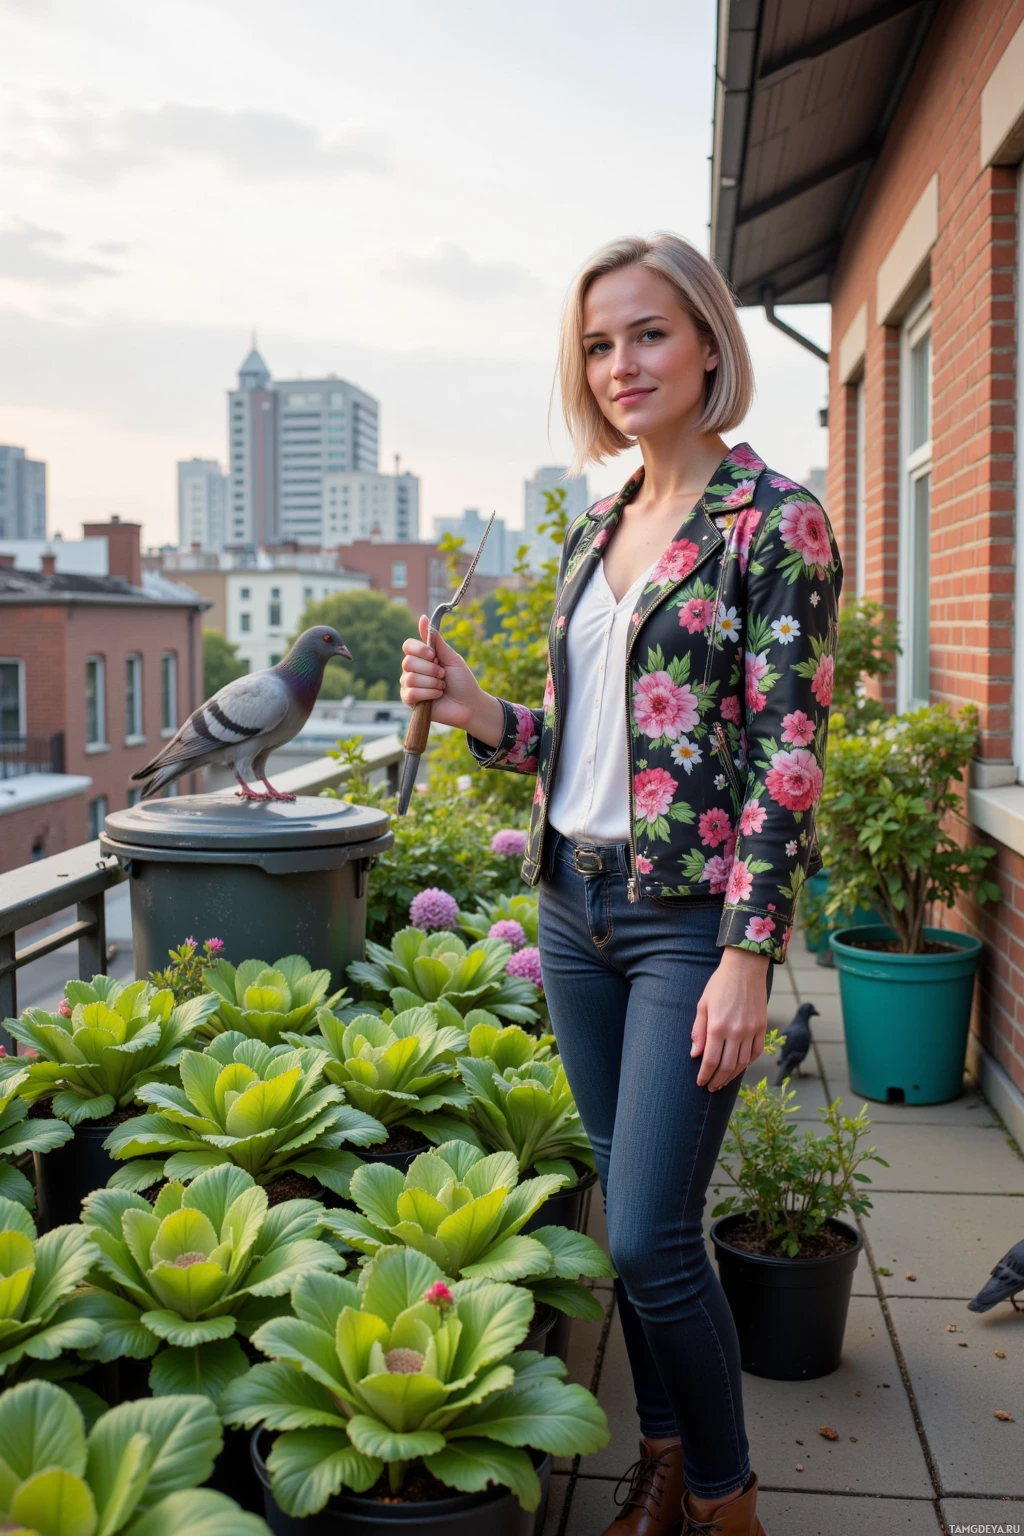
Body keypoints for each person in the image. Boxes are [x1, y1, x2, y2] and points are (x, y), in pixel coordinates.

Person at [400, 232, 842, 1536]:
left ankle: (726, 1495)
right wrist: (480, 707)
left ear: (709, 340)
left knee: (651, 1234)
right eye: (599, 344)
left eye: (648, 333)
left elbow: (787, 760)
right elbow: (586, 747)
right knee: (624, 1235)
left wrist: (750, 953)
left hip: (682, 925)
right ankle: (662, 1454)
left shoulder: (776, 523)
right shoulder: (600, 525)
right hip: (573, 906)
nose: (621, 364)